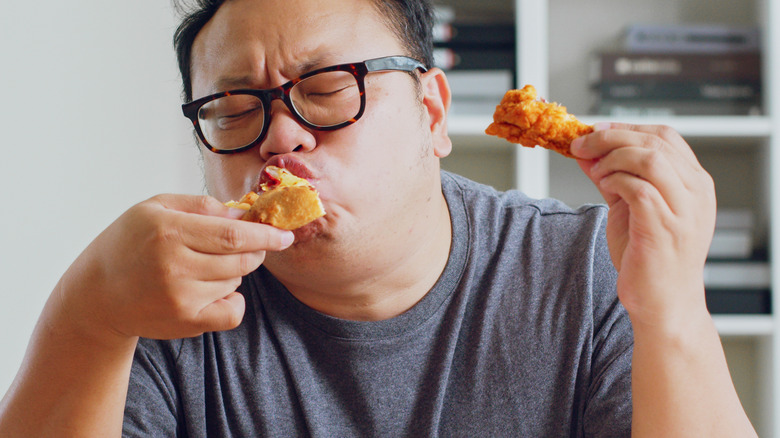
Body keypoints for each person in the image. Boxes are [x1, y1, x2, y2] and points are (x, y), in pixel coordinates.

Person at [0, 0, 758, 436]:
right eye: (233, 110)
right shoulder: (162, 307)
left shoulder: (593, 269)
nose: (280, 136)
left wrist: (673, 312)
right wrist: (86, 321)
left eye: (328, 89)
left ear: (432, 112)